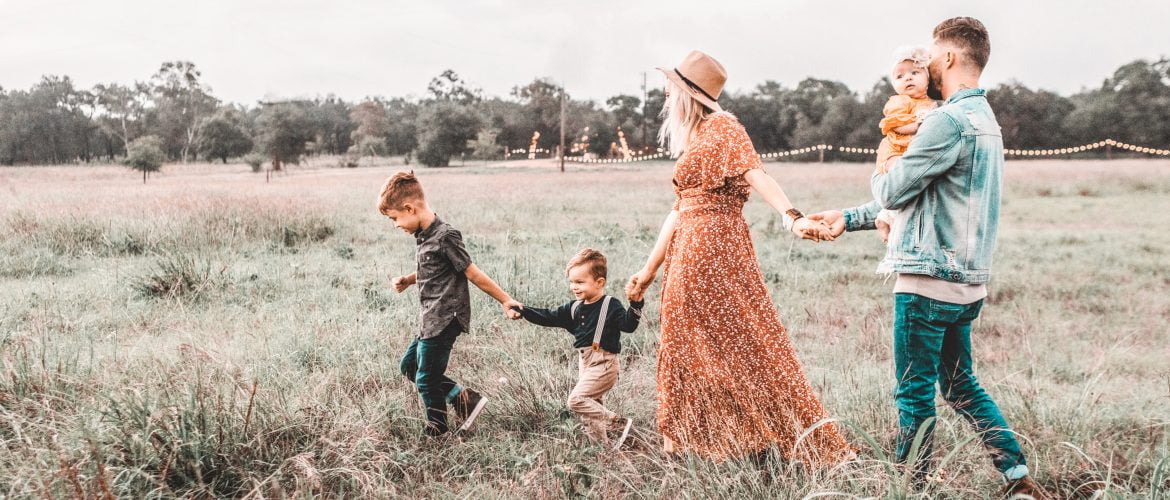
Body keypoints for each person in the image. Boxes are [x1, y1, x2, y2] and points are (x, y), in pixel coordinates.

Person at [808, 17, 1050, 498]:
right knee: (961, 387)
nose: (924, 66)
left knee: (914, 394)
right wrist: (850, 217)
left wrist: (884, 163)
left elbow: (896, 187)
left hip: (927, 282)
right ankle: (1017, 479)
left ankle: (910, 488)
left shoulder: (945, 120)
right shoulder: (985, 120)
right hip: (967, 284)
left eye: (930, 57)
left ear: (949, 58)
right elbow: (925, 194)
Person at [625, 50, 853, 464]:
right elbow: (679, 210)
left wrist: (792, 217)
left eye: (670, 87)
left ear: (687, 93)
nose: (664, 93)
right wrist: (648, 270)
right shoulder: (696, 137)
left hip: (714, 247)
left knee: (741, 340)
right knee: (687, 341)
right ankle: (707, 438)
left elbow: (757, 173)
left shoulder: (724, 128)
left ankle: (758, 435)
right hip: (688, 247)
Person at [379, 171, 523, 437]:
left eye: (395, 218)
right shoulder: (424, 236)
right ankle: (465, 400)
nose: (395, 225)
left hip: (445, 318)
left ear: (410, 208)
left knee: (426, 378)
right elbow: (434, 269)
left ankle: (437, 430)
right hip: (430, 318)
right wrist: (410, 280)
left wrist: (506, 300)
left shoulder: (446, 236)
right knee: (409, 367)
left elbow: (472, 273)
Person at [511, 248, 643, 449]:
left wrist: (636, 303)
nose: (574, 287)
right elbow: (548, 316)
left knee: (576, 400)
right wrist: (523, 311)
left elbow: (629, 325)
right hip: (585, 363)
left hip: (605, 364)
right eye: (572, 282)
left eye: (580, 282)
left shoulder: (610, 305)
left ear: (599, 283)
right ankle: (604, 451)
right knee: (590, 412)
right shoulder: (574, 308)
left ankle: (617, 422)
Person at [874, 45, 938, 244]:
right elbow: (896, 125)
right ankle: (887, 219)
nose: (908, 78)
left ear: (927, 78)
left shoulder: (931, 103)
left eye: (915, 73)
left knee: (910, 186)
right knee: (901, 179)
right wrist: (917, 126)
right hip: (895, 150)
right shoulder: (899, 101)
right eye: (900, 77)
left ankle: (886, 218)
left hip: (910, 150)